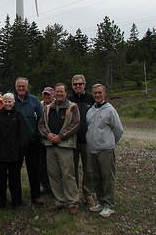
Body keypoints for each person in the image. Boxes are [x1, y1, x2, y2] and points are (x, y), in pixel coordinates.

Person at [39, 83, 80, 214]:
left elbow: (75, 124)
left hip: (65, 146)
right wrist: (48, 135)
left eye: (62, 92)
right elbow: (41, 124)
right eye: (57, 92)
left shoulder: (72, 107)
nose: (59, 94)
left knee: (68, 174)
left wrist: (61, 137)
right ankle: (59, 200)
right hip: (50, 145)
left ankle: (73, 201)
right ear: (54, 94)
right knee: (54, 174)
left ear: (66, 93)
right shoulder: (48, 108)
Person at [86, 84, 124, 218]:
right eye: (95, 93)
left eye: (99, 93)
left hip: (106, 150)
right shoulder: (90, 111)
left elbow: (118, 130)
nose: (97, 95)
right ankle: (101, 201)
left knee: (108, 177)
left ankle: (109, 204)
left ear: (104, 94)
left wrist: (110, 143)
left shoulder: (110, 111)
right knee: (96, 177)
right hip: (93, 150)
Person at [13, 77, 44, 205]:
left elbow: (41, 119)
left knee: (34, 169)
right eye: (19, 86)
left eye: (23, 86)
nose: (21, 89)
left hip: (32, 141)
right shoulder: (11, 100)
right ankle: (16, 198)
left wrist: (40, 135)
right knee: (15, 171)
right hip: (16, 142)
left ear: (27, 88)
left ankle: (35, 195)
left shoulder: (34, 101)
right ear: (15, 88)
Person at [0, 93, 28, 209]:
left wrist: (22, 150)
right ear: (2, 103)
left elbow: (22, 132)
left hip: (15, 153)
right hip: (1, 153)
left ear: (14, 103)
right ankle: (1, 202)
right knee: (1, 179)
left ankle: (17, 202)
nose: (8, 104)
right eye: (6, 102)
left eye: (10, 102)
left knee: (15, 179)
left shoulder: (18, 114)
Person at [67, 74, 96, 207]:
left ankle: (88, 194)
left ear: (85, 84)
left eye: (80, 84)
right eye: (75, 84)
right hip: (72, 140)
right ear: (72, 86)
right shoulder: (69, 100)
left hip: (87, 141)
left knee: (89, 169)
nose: (78, 86)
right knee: (72, 170)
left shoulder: (92, 98)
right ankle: (74, 195)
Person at [39, 87, 54, 195]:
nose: (46, 97)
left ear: (52, 96)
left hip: (53, 139)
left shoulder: (55, 106)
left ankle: (55, 187)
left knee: (53, 166)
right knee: (42, 165)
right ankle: (46, 187)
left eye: (48, 95)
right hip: (41, 139)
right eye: (45, 95)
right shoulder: (40, 105)